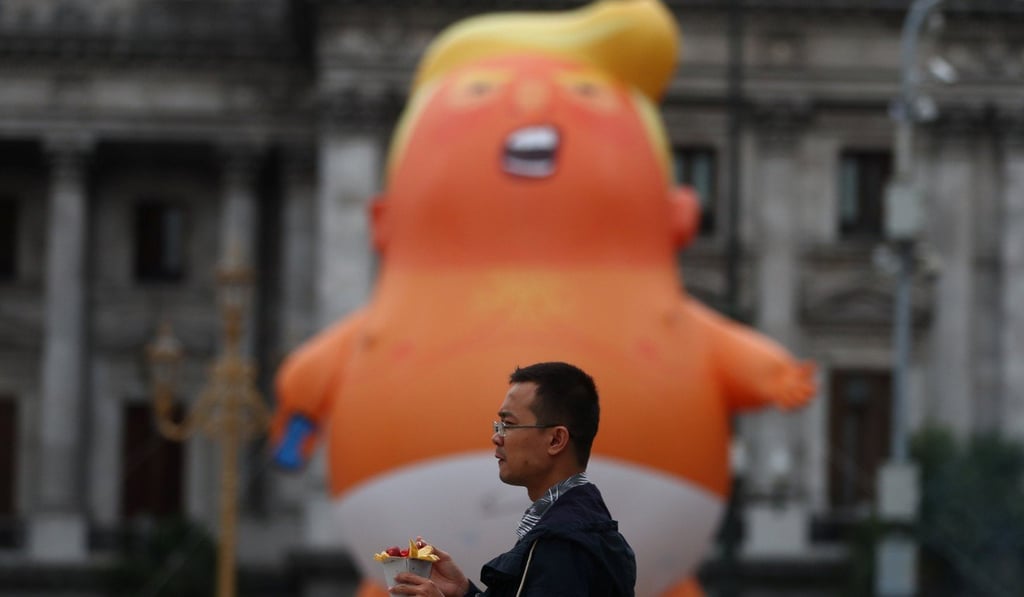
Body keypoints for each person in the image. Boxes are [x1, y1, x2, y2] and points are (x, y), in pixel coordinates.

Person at [390, 361, 637, 596]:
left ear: (556, 440)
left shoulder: (562, 545)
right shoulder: (575, 531)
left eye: (508, 424)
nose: (497, 438)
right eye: (498, 426)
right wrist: (464, 592)